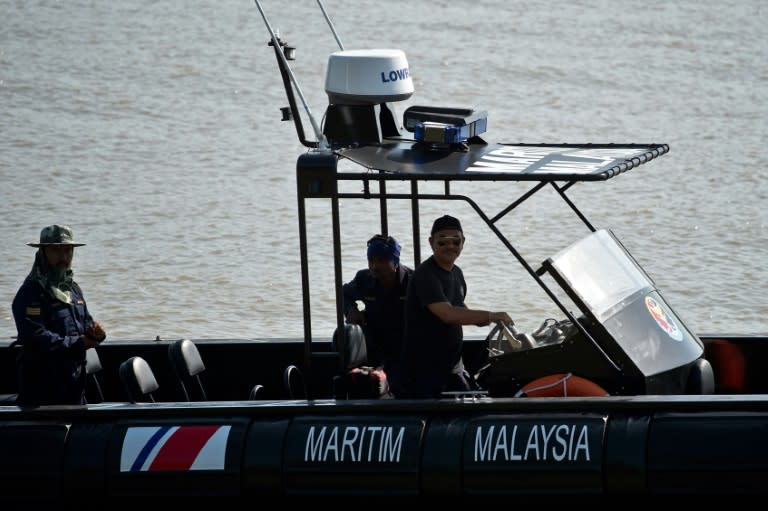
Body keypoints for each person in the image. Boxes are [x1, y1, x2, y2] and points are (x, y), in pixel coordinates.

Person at [396, 215, 514, 398]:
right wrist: (490, 316)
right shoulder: (425, 275)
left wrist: (481, 320)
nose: (450, 246)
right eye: (442, 242)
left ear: (463, 242)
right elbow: (447, 314)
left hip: (453, 365)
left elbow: (458, 307)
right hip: (425, 368)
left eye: (455, 241)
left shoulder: (456, 273)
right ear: (431, 242)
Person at [11, 225, 107, 406]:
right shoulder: (31, 292)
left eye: (68, 251)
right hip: (42, 391)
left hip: (73, 387)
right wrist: (78, 343)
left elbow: (86, 322)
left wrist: (96, 333)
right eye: (56, 250)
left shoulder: (72, 288)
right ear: (43, 253)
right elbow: (35, 337)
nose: (63, 257)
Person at [342, 234, 413, 378]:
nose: (375, 266)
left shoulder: (412, 281)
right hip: (374, 342)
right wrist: (351, 309)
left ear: (395, 262)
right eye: (371, 260)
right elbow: (343, 293)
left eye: (382, 261)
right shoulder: (364, 279)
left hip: (406, 346)